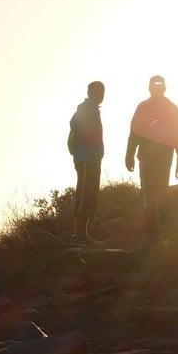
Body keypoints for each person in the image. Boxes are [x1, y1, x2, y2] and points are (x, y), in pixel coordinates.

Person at [125, 75, 178, 242]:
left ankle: (158, 233)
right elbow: (134, 132)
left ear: (163, 88)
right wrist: (129, 154)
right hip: (150, 156)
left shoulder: (169, 108)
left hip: (158, 157)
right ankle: (154, 233)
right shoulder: (147, 107)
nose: (157, 88)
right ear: (150, 88)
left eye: (159, 86)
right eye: (155, 86)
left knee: (156, 193)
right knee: (154, 193)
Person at [68, 80, 105, 244]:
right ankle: (78, 234)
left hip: (92, 158)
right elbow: (75, 124)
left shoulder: (93, 110)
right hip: (85, 158)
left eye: (101, 92)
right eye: (96, 92)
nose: (99, 95)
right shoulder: (85, 109)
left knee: (90, 193)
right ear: (89, 93)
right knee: (84, 193)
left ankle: (83, 233)